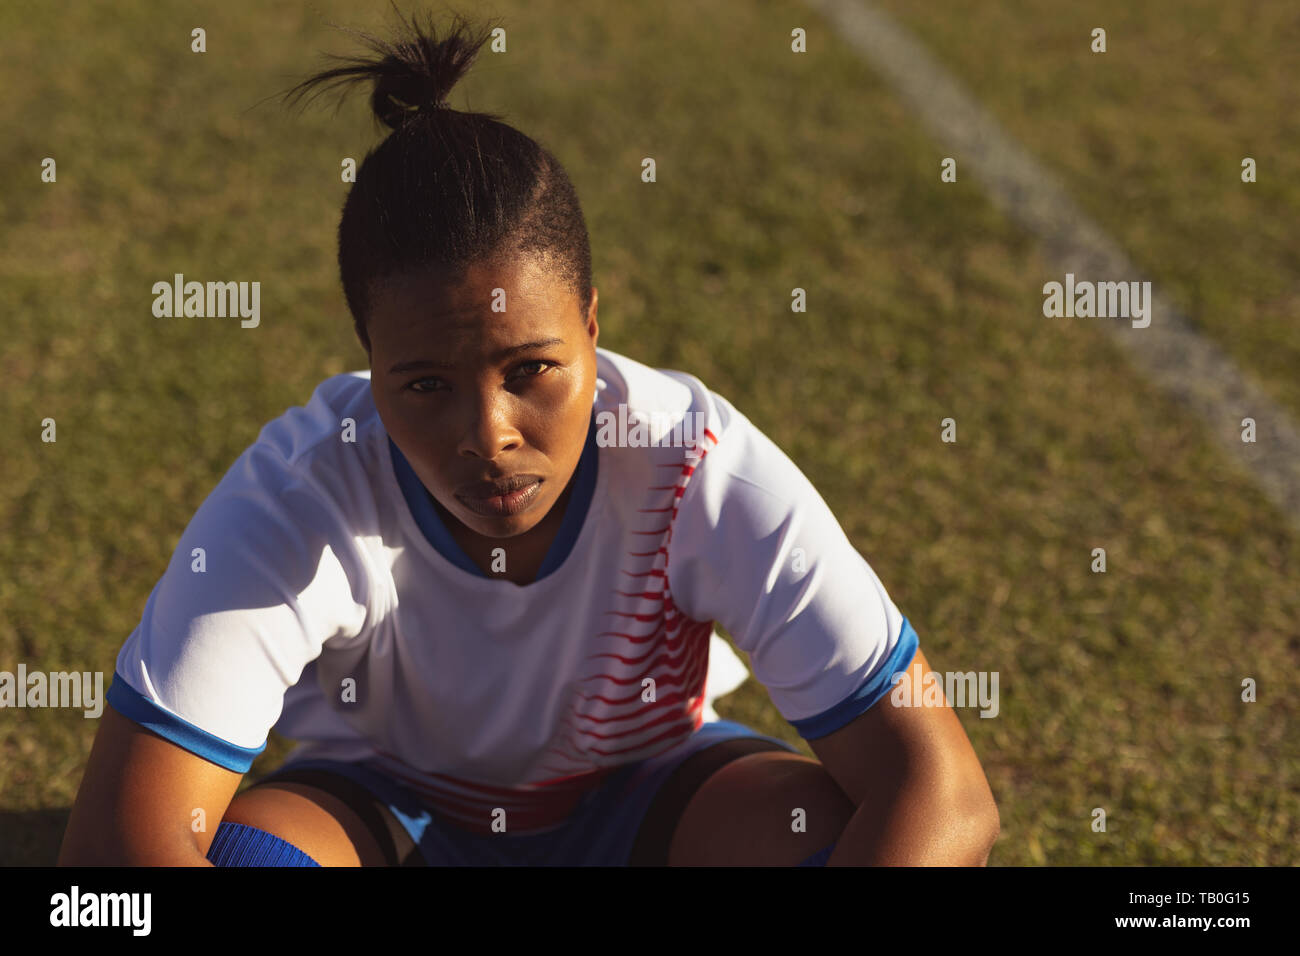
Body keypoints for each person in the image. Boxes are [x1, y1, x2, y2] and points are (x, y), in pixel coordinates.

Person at [57, 9, 998, 867]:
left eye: (530, 371)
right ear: (368, 360)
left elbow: (942, 795)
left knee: (828, 836)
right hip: (381, 810)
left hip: (657, 798)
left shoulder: (697, 467)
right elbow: (112, 857)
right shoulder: (304, 491)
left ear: (592, 326)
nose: (488, 434)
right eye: (425, 384)